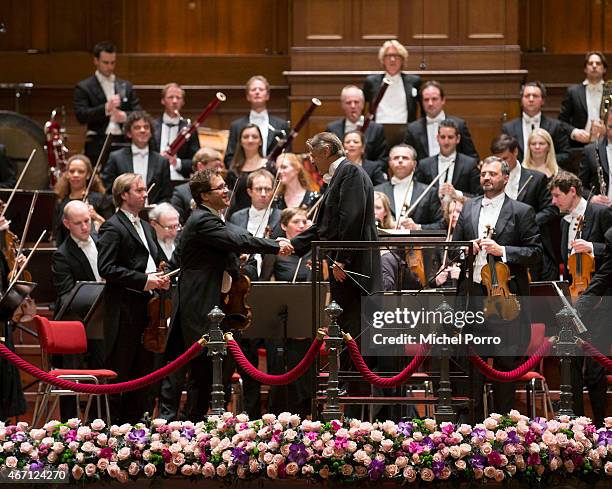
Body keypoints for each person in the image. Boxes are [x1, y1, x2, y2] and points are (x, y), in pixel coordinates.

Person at [167, 168, 292, 420]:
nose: (226, 190)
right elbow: (238, 238)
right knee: (203, 373)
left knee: (217, 372)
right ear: (203, 195)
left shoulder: (214, 217)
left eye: (225, 185)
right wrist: (275, 245)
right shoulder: (203, 218)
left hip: (216, 304)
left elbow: (224, 247)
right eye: (220, 188)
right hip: (199, 305)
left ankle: (200, 425)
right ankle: (192, 426)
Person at [453, 156, 542, 421]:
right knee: (471, 365)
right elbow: (455, 248)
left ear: (505, 178)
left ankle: (503, 427)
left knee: (505, 363)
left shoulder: (521, 211)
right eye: (483, 174)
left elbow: (535, 252)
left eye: (492, 174)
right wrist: (466, 249)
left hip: (505, 297)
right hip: (473, 294)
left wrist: (502, 250)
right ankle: (471, 427)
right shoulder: (468, 208)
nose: (486, 178)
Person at [97, 173, 171, 423]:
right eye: (139, 190)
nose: (145, 193)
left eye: (145, 190)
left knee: (143, 374)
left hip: (146, 310)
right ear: (124, 195)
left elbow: (157, 259)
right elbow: (106, 268)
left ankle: (136, 430)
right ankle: (115, 430)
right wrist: (144, 280)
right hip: (124, 311)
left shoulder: (146, 227)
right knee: (122, 373)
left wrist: (164, 274)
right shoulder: (112, 226)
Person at [549, 171, 612, 426]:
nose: (554, 201)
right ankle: (576, 427)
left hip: (600, 301)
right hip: (574, 300)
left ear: (572, 191)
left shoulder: (599, 212)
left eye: (557, 195)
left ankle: (600, 428)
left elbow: (610, 252)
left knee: (595, 368)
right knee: (570, 365)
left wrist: (593, 248)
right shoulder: (565, 222)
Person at [52, 200, 105, 418]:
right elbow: (67, 295)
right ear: (66, 223)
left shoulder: (101, 241)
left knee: (102, 374)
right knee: (70, 379)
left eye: (88, 221)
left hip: (100, 319)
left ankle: (98, 424)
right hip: (73, 322)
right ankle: (69, 428)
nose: (85, 227)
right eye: (78, 223)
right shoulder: (62, 254)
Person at [491, 134, 560, 280]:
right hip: (499, 249)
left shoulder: (536, 178)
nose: (501, 164)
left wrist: (527, 221)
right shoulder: (491, 180)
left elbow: (551, 210)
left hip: (529, 248)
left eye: (505, 159)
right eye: (498, 160)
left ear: (515, 152)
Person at [74, 41, 141, 162]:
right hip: (97, 141)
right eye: (105, 63)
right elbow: (81, 116)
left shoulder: (125, 85)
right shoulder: (84, 87)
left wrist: (124, 116)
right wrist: (105, 108)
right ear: (96, 61)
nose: (110, 67)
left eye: (113, 63)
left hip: (123, 141)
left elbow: (138, 112)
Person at [102, 111, 172, 205]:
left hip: (154, 215)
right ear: (129, 133)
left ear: (151, 133)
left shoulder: (162, 161)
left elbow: (166, 195)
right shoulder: (115, 158)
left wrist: (155, 212)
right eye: (137, 127)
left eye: (146, 127)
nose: (142, 130)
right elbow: (108, 191)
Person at [224, 75, 290, 167]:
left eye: (261, 89)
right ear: (248, 96)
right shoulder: (236, 126)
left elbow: (287, 155)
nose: (257, 92)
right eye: (253, 89)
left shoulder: (281, 125)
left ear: (267, 95)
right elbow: (229, 157)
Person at [404, 80, 478, 161]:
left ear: (443, 100)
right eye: (426, 100)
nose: (430, 103)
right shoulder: (413, 129)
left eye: (434, 99)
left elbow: (472, 157)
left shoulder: (459, 125)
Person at [501, 81, 570, 167]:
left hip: (547, 174)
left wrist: (544, 161)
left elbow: (565, 154)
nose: (531, 99)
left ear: (542, 101)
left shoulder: (555, 126)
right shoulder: (509, 128)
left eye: (535, 96)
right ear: (521, 101)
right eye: (527, 96)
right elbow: (504, 155)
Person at [374, 144, 443, 229]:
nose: (400, 160)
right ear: (389, 163)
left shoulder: (429, 192)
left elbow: (441, 224)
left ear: (414, 164)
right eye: (396, 158)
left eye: (405, 158)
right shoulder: (377, 191)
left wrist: (418, 227)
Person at [53, 154, 113, 246]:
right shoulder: (61, 201)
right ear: (67, 174)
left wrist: (95, 216)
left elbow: (112, 230)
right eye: (72, 171)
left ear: (88, 175)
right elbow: (58, 234)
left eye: (80, 172)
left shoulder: (100, 199)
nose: (75, 175)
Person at [414, 119, 481, 198]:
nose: (446, 142)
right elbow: (417, 195)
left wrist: (457, 194)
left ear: (458, 139)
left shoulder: (470, 164)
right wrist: (434, 195)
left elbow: (478, 196)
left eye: (450, 137)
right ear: (437, 138)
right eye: (442, 137)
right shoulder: (424, 165)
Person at [363, 39, 421, 125]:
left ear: (402, 59)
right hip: (378, 132)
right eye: (388, 56)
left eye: (396, 56)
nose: (392, 59)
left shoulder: (414, 81)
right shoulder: (371, 82)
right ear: (383, 60)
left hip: (406, 132)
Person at [326, 85, 387, 165]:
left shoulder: (376, 129)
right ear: (342, 105)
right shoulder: (332, 129)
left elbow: (382, 160)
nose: (353, 106)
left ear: (363, 104)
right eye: (348, 103)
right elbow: (327, 158)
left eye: (356, 102)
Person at [151, 83, 201, 181]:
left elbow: (196, 161)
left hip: (180, 179)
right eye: (170, 97)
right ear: (162, 100)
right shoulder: (152, 126)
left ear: (183, 102)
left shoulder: (189, 129)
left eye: (178, 98)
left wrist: (176, 162)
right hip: (154, 177)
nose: (174, 101)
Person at [225, 124, 275, 218]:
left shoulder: (270, 166)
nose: (250, 140)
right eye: (246, 137)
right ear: (241, 141)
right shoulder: (234, 170)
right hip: (239, 218)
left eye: (254, 137)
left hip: (266, 216)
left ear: (260, 141)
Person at [559, 51, 608, 148]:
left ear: (604, 69)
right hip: (580, 146)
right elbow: (562, 122)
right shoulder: (573, 92)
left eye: (598, 63)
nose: (594, 66)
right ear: (585, 69)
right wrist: (574, 132)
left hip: (608, 145)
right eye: (590, 63)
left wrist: (607, 130)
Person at [171, 147, 224, 223]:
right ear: (200, 167)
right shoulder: (181, 193)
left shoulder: (227, 193)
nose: (220, 170)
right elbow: (177, 223)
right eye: (216, 167)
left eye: (221, 167)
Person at [228, 169, 282, 240]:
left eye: (268, 189)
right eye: (259, 189)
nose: (263, 194)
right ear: (249, 192)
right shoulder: (236, 217)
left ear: (273, 191)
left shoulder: (281, 216)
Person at [581, 107, 612, 206]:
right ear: (604, 126)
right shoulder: (590, 151)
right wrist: (592, 197)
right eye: (610, 127)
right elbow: (580, 186)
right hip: (602, 211)